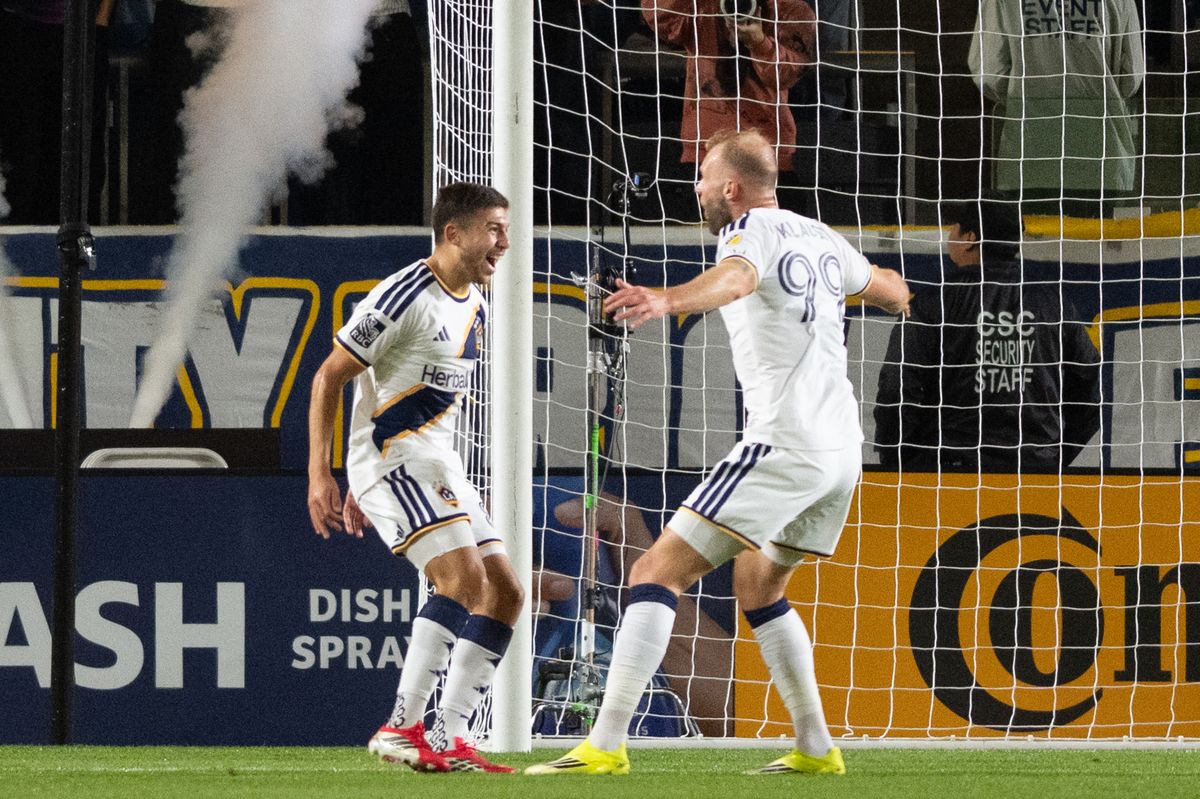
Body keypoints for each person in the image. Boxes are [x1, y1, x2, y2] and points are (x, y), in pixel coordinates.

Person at [527, 128, 910, 776]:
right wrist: (894, 294)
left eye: (703, 176)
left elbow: (735, 279)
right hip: (840, 451)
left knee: (652, 573)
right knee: (757, 582)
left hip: (783, 445)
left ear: (732, 188)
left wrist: (665, 299)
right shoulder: (818, 236)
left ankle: (605, 743)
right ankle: (817, 747)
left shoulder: (747, 233)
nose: (697, 187)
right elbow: (891, 287)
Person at [307, 182, 522, 774]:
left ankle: (450, 736)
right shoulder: (404, 295)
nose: (504, 242)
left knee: (505, 593)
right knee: (460, 578)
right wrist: (325, 474)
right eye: (493, 229)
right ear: (454, 233)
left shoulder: (474, 300)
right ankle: (399, 727)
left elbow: (394, 393)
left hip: (434, 462)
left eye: (505, 229)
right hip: (395, 463)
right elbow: (329, 377)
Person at [873, 197, 1102, 472]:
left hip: (950, 473)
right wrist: (1056, 457)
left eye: (954, 227)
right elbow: (1092, 389)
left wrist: (898, 460)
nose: (949, 234)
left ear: (970, 238)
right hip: (1033, 473)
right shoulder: (1054, 304)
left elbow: (897, 387)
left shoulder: (933, 303)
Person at [969, 0, 1144, 199]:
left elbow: (989, 74)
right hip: (1101, 155)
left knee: (1032, 229)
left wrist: (1026, 94)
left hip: (1029, 151)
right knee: (1093, 229)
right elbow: (1131, 77)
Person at [641, 0, 816, 175]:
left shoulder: (791, 9)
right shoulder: (700, 6)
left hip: (766, 151)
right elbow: (656, 14)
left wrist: (760, 42)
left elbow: (787, 76)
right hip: (706, 148)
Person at [0, 0, 114, 224]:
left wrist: (102, 17)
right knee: (23, 154)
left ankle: (79, 241)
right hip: (19, 30)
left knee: (82, 153)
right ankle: (21, 241)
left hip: (83, 31)